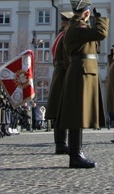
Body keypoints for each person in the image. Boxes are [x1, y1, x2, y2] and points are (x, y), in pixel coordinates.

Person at [56, 0, 109, 168]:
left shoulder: (76, 26)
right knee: (76, 116)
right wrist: (100, 18)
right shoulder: (78, 26)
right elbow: (101, 33)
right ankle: (76, 155)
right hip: (81, 73)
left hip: (82, 71)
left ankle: (76, 153)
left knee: (77, 116)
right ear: (86, 13)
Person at [45, 11, 73, 154]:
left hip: (58, 72)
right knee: (63, 110)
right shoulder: (66, 36)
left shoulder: (59, 35)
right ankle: (61, 144)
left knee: (58, 110)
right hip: (64, 73)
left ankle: (60, 143)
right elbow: (68, 57)